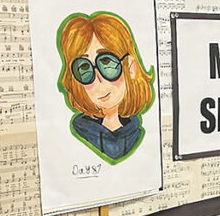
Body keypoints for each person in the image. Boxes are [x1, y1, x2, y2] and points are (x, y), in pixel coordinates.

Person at [57, 11, 156, 163]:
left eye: (107, 64)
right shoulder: (78, 135)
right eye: (84, 68)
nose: (98, 80)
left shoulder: (138, 135)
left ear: (130, 67)